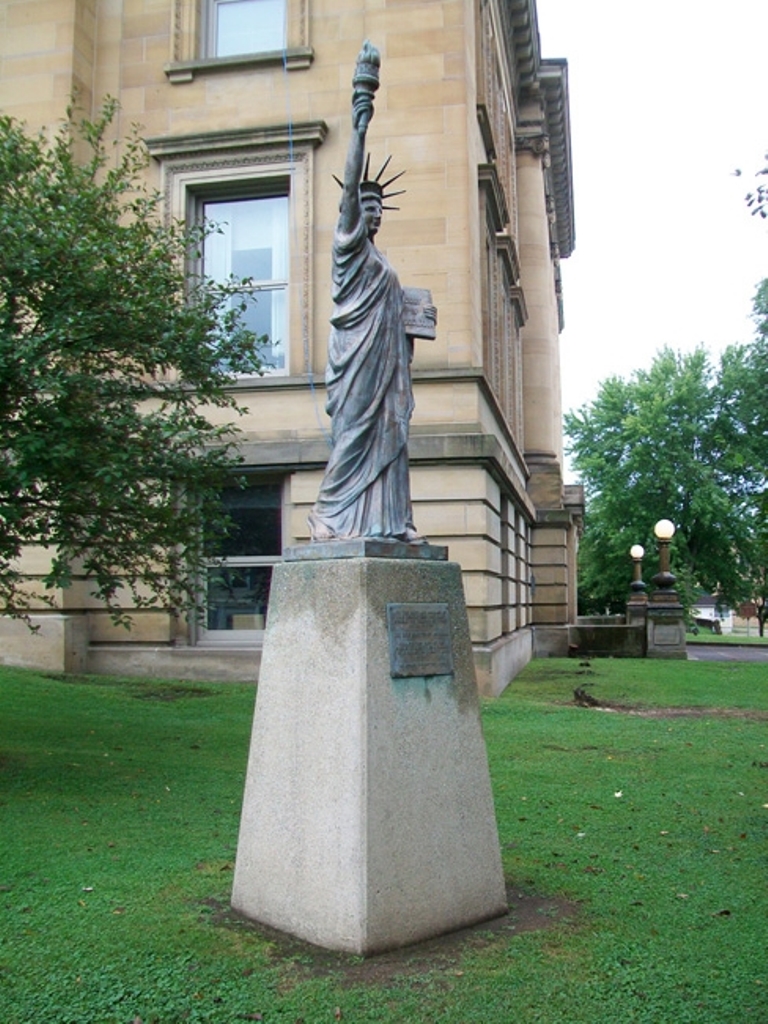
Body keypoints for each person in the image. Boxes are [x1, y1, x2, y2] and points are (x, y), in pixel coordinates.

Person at [308, 42, 425, 543]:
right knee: (353, 435)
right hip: (356, 359)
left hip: (388, 362)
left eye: (378, 206)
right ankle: (327, 518)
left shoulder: (383, 262)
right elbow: (349, 185)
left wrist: (413, 325)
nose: (373, 211)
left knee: (391, 434)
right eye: (366, 204)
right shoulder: (349, 245)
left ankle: (393, 523)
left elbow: (394, 312)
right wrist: (360, 120)